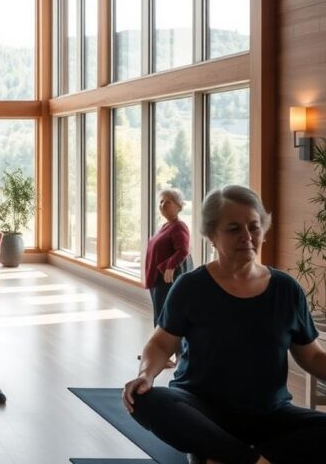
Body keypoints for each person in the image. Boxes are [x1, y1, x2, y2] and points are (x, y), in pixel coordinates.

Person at [123, 185, 326, 464]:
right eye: (233, 229)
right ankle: (252, 459)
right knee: (145, 401)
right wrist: (146, 375)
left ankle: (224, 456)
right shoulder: (191, 287)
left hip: (270, 414)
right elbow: (160, 342)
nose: (247, 236)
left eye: (254, 227)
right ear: (211, 237)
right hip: (202, 411)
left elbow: (312, 356)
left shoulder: (286, 289)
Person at [142, 188, 191, 368]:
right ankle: (161, 355)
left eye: (167, 202)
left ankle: (178, 356)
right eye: (161, 202)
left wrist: (168, 265)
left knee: (169, 317)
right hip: (158, 278)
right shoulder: (165, 226)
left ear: (178, 206)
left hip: (168, 279)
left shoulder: (179, 226)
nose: (162, 205)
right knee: (160, 314)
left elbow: (183, 250)